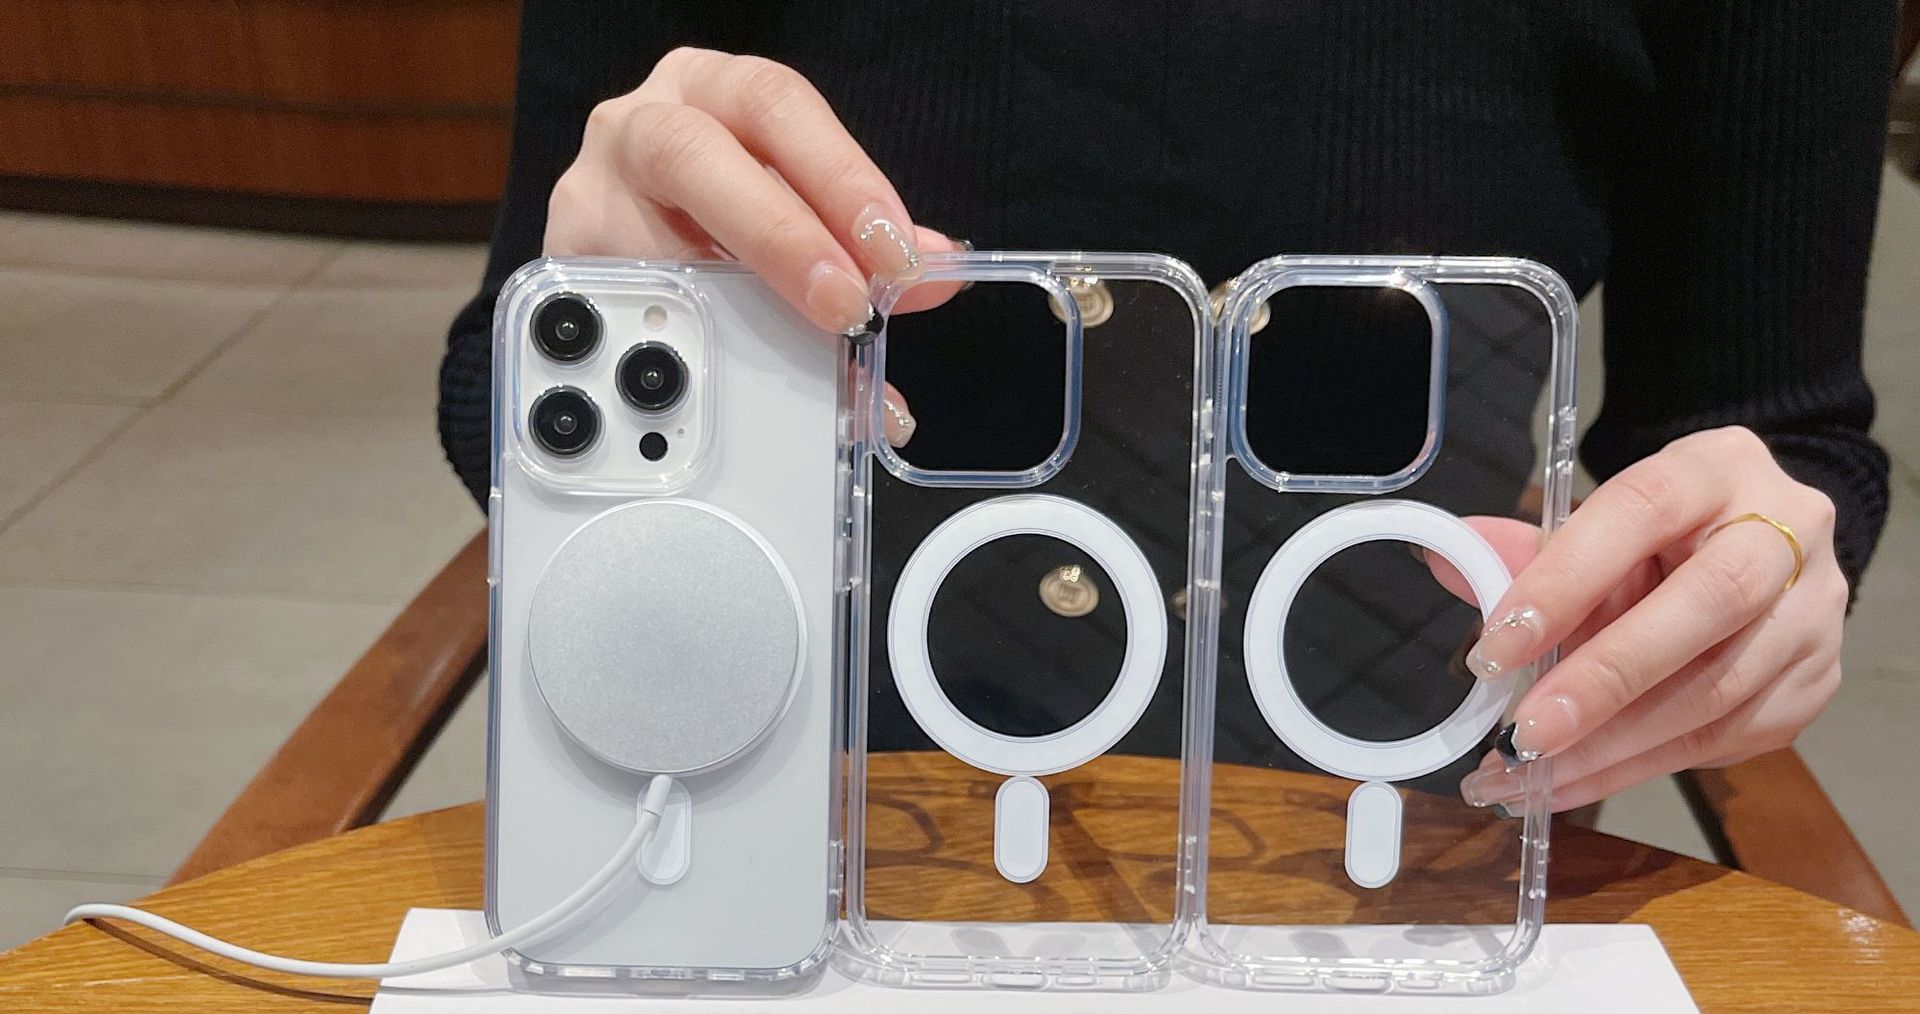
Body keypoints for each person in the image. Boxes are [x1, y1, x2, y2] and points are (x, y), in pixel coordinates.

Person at [439, 4, 1895, 811]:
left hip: (1390, 823)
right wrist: (605, 322)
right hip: (796, 790)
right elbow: (491, 388)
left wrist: (1750, 565)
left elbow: (1776, 430)